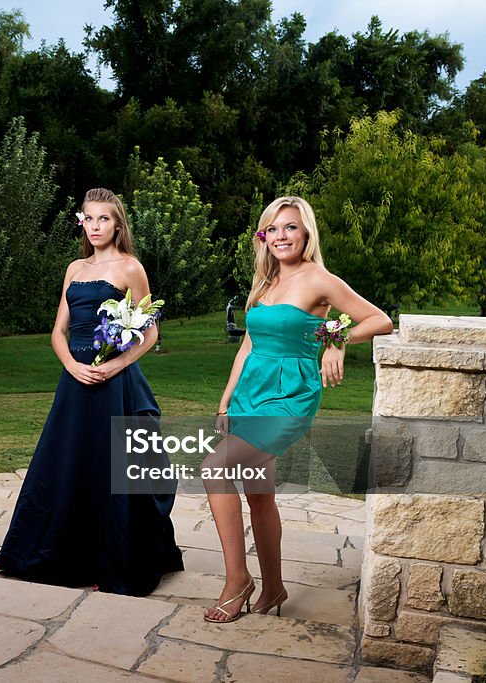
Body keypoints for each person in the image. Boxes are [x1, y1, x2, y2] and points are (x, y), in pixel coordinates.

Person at [0, 188, 184, 596]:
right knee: (60, 465)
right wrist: (72, 366)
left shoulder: (131, 268)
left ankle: (108, 560)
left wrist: (113, 365)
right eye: (88, 219)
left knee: (107, 472)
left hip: (114, 385)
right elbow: (58, 331)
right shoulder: (74, 268)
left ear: (117, 224)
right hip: (74, 381)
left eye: (103, 219)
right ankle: (27, 551)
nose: (95, 227)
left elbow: (150, 332)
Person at [203, 196, 393, 622]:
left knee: (214, 468)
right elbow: (250, 346)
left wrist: (335, 338)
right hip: (251, 391)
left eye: (290, 227)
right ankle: (272, 588)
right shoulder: (265, 283)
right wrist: (226, 399)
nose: (281, 236)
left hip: (290, 396)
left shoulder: (319, 279)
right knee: (258, 493)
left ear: (306, 233)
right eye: (272, 229)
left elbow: (379, 320)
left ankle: (238, 581)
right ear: (263, 237)